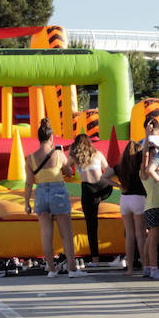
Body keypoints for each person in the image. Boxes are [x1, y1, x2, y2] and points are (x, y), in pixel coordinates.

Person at [24, 118, 82, 279]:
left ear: (39, 138)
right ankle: (72, 269)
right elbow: (70, 173)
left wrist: (26, 203)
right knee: (66, 234)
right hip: (58, 191)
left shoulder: (31, 158)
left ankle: (51, 269)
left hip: (41, 192)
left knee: (46, 234)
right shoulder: (58, 154)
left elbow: (29, 183)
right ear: (51, 138)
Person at [102, 141, 146, 275]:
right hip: (139, 198)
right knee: (141, 235)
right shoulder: (140, 165)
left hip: (125, 199)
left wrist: (117, 185)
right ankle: (145, 267)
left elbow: (103, 177)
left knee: (129, 235)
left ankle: (130, 268)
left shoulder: (120, 166)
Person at [68, 133, 111, 268]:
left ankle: (95, 259)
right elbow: (108, 169)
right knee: (93, 222)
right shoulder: (97, 154)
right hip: (102, 187)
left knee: (91, 225)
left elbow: (67, 169)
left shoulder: (75, 156)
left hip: (88, 189)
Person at [140, 142, 159, 280]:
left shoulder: (158, 171)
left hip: (154, 207)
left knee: (150, 239)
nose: (156, 156)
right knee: (154, 240)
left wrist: (157, 148)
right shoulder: (146, 172)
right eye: (153, 155)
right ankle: (153, 268)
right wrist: (146, 138)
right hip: (155, 207)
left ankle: (147, 267)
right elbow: (145, 155)